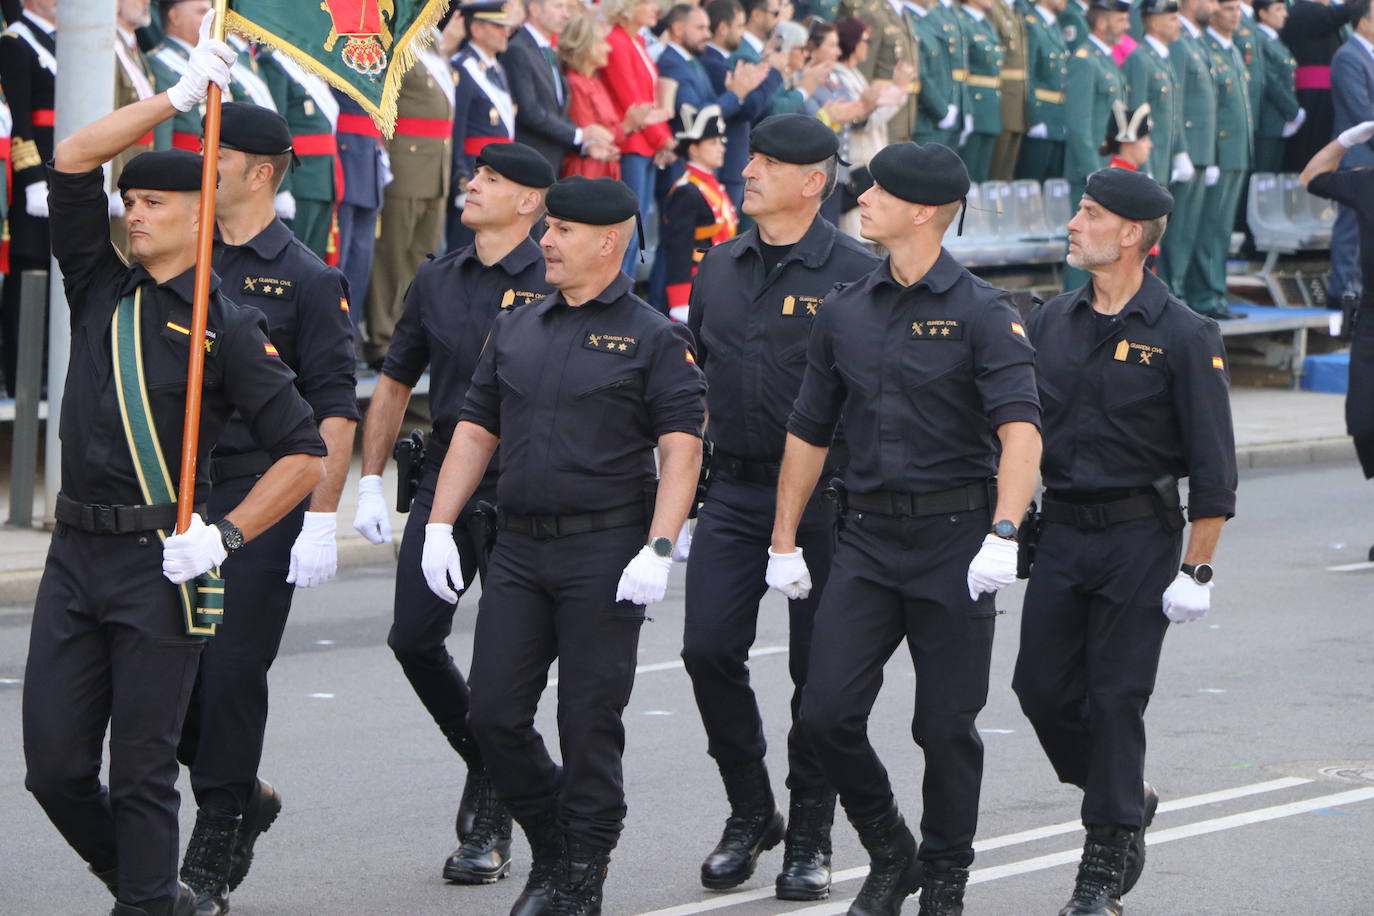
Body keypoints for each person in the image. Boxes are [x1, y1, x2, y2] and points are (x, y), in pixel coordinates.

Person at [22, 14, 327, 915]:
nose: (134, 213)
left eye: (154, 204)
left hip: (161, 564)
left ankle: (151, 900)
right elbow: (74, 158)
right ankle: (154, 889)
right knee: (55, 768)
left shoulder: (228, 323)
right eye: (134, 204)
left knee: (147, 767)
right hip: (75, 556)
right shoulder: (99, 287)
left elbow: (305, 453)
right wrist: (173, 99)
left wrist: (224, 537)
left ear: (199, 214)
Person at [768, 141, 1042, 916]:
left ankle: (946, 879)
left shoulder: (984, 313)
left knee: (944, 727)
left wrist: (1004, 531)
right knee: (823, 713)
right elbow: (808, 430)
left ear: (923, 209)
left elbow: (1021, 429)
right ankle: (892, 848)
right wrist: (783, 538)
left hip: (956, 542)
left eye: (878, 190)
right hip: (865, 540)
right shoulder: (845, 310)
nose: (864, 198)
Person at [421, 175, 706, 916]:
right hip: (517, 549)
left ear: (608, 243)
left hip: (604, 555)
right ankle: (557, 839)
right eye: (547, 229)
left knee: (588, 723)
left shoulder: (653, 336)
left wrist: (661, 546)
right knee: (492, 715)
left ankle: (582, 875)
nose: (545, 242)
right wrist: (438, 524)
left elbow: (682, 449)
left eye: (563, 233)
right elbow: (475, 432)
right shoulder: (518, 326)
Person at [1013, 167, 1236, 916]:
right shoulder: (1053, 321)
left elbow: (1213, 467)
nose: (1074, 223)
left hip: (1141, 540)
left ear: (1132, 236)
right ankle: (1127, 794)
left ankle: (1102, 864)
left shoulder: (1183, 333)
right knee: (1039, 691)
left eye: (1090, 214)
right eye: (1077, 209)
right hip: (1064, 533)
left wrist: (1196, 569)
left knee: (1115, 699)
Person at [681, 114, 877, 903]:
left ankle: (811, 834)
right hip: (734, 488)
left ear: (813, 182)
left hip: (830, 501)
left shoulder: (857, 272)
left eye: (767, 162)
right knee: (705, 651)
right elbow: (701, 371)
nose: (748, 170)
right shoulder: (720, 266)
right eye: (751, 157)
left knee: (817, 676)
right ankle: (750, 807)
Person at [351, 143, 555, 888]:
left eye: (492, 180)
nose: (472, 186)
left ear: (530, 203)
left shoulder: (554, 275)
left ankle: (492, 820)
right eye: (476, 175)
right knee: (413, 637)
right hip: (446, 485)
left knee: (504, 667)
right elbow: (395, 382)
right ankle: (485, 754)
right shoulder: (437, 278)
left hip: (529, 491)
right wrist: (368, 481)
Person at [171, 102, 357, 914]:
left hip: (261, 496)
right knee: (164, 679)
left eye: (213, 151)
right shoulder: (180, 257)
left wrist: (321, 515)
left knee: (231, 672)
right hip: (173, 494)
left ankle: (213, 842)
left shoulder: (311, 279)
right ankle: (243, 790)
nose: (197, 162)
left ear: (258, 172)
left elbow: (333, 409)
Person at [363, 22, 457, 367]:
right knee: (392, 256)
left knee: (421, 258)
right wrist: (383, 155)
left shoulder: (430, 44)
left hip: (436, 169)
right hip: (405, 165)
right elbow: (384, 104)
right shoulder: (397, 41)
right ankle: (381, 340)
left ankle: (407, 337)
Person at [1302, 121, 1374, 479]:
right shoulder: (1367, 181)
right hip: (1372, 319)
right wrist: (1344, 141)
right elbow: (1311, 177)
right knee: (1363, 421)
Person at [0, 0, 56, 398]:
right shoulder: (15, 42)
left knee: (55, 276)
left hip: (63, 178)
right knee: (29, 276)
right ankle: (25, 377)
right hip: (31, 187)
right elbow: (19, 116)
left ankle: (50, 371)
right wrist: (33, 178)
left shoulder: (58, 42)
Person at [601, 0, 679, 273]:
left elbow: (650, 99)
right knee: (627, 230)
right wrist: (664, 141)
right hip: (631, 145)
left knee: (638, 230)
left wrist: (661, 139)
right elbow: (631, 100)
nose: (656, 7)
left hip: (645, 144)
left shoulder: (637, 42)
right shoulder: (617, 41)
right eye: (648, 2)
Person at [1188, 0, 1253, 320]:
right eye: (1228, 8)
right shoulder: (1207, 48)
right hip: (1219, 152)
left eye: (1238, 9)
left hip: (1237, 151)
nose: (1235, 14)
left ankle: (1214, 291)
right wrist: (1210, 152)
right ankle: (1204, 295)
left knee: (1222, 231)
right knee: (1208, 228)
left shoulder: (1232, 50)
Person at [504, 0, 617, 175]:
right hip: (528, 159)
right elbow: (529, 111)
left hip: (550, 160)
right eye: (558, 6)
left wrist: (584, 146)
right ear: (534, 9)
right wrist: (580, 135)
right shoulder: (518, 49)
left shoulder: (548, 50)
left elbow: (559, 110)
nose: (565, 14)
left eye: (566, 7)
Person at [1064, 0, 1130, 290]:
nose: (1127, 26)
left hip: (1106, 168)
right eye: (1120, 20)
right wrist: (1094, 172)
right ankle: (1070, 315)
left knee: (1102, 248)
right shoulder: (1084, 59)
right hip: (1088, 172)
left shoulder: (1104, 60)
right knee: (1084, 246)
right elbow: (1078, 124)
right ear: (1102, 23)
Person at [559, 12, 669, 179]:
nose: (608, 48)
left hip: (606, 169)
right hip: (586, 173)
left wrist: (636, 121)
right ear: (585, 45)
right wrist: (628, 124)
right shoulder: (575, 84)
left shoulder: (595, 81)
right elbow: (592, 136)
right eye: (601, 42)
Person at [447, 0, 518, 252]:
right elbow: (456, 131)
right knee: (463, 252)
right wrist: (461, 180)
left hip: (497, 177)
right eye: (498, 26)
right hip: (474, 175)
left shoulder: (496, 68)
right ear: (476, 29)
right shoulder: (463, 67)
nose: (505, 31)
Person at [702, 0, 785, 211]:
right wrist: (773, 72)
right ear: (722, 28)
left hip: (731, 162)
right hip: (727, 162)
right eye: (739, 26)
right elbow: (748, 108)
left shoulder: (722, 61)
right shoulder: (713, 63)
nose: (742, 32)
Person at [1156, 0, 1212, 303]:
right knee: (1175, 232)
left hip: (1196, 149)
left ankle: (1183, 292)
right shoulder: (1177, 47)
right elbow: (1176, 106)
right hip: (1177, 149)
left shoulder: (1191, 42)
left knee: (1191, 229)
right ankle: (1173, 292)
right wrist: (1182, 149)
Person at [661, 104, 739, 320]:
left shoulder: (711, 185)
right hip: (696, 288)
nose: (721, 148)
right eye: (713, 142)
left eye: (721, 142)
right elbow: (679, 248)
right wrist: (680, 300)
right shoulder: (686, 190)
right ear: (694, 148)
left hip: (717, 282)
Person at [1327, 0, 1374, 305]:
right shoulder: (1348, 56)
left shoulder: (1367, 55)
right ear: (1363, 22)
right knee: (1350, 228)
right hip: (1358, 155)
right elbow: (1362, 112)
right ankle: (1341, 289)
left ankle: (1356, 286)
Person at [1280, 0, 1354, 171]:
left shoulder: (1320, 12)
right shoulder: (1304, 10)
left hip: (1326, 92)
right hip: (1312, 95)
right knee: (1310, 151)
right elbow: (1338, 14)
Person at [1123, 0, 1182, 184]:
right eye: (1172, 19)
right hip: (1150, 156)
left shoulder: (1163, 58)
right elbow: (1135, 112)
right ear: (1155, 24)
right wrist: (1143, 166)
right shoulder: (1140, 59)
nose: (1178, 24)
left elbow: (1173, 113)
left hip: (1165, 156)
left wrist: (1181, 151)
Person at [1016, 0, 1070, 181]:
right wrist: (1034, 117)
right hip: (1040, 119)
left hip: (1057, 120)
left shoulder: (1053, 26)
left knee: (1052, 188)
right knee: (1031, 185)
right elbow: (1027, 75)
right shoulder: (1031, 25)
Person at [1252, 0, 1304, 175]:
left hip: (1279, 120)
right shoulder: (1260, 39)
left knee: (1271, 177)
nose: (1285, 14)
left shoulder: (1275, 39)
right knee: (1262, 175)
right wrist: (1293, 110)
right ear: (1263, 13)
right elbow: (1271, 81)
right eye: (1278, 9)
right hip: (1268, 119)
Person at [958, 0, 1006, 183]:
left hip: (990, 105)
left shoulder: (987, 23)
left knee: (982, 174)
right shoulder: (962, 21)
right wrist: (967, 109)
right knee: (968, 172)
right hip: (974, 102)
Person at [988, 0, 1030, 181]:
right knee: (996, 164)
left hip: (1018, 95)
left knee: (1008, 164)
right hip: (1003, 94)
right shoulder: (993, 8)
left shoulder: (1014, 9)